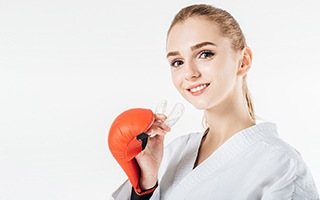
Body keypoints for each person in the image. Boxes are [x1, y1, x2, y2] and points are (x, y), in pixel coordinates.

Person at [110, 4, 319, 200]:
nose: (189, 73)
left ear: (243, 61)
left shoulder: (281, 165)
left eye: (205, 54)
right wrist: (146, 183)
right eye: (177, 62)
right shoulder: (174, 152)